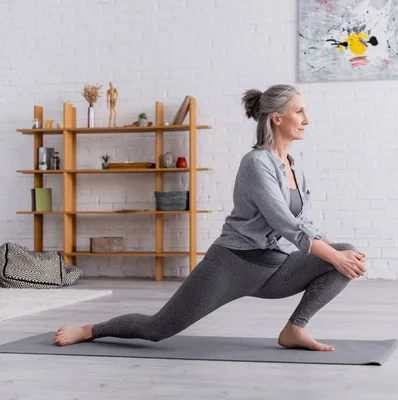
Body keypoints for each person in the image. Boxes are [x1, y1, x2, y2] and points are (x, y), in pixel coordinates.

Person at [53, 84, 367, 352]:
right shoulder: (257, 163)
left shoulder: (294, 166)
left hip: (275, 268)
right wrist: (336, 258)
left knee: (346, 252)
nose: (306, 120)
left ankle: (294, 329)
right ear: (277, 117)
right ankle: (90, 329)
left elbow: (304, 225)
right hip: (232, 265)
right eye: (299, 112)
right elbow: (284, 222)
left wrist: (339, 255)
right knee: (158, 328)